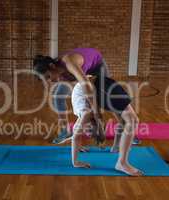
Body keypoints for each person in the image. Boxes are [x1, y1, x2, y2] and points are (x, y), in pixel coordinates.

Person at [33, 48, 143, 176]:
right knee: (63, 97)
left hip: (98, 67)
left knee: (117, 111)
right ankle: (119, 145)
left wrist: (97, 115)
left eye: (48, 76)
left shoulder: (69, 63)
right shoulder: (61, 74)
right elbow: (83, 90)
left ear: (52, 66)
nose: (49, 81)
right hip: (87, 85)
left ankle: (121, 142)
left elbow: (87, 86)